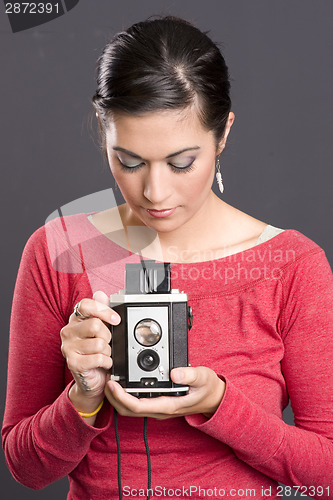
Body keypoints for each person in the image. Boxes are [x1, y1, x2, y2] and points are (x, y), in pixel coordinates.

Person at [2, 16, 333, 500]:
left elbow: (325, 473)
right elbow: (25, 469)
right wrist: (83, 398)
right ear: (104, 131)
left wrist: (221, 406)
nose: (155, 193)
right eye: (129, 161)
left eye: (182, 163)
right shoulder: (58, 252)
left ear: (222, 136)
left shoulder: (291, 266)